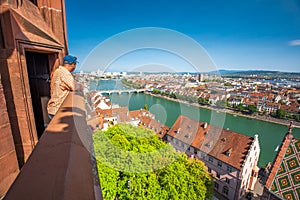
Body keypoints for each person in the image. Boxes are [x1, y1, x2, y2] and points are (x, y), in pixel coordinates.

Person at [47, 55, 78, 119]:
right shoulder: (66, 74)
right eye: (75, 64)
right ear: (72, 64)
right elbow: (75, 88)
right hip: (60, 109)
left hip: (53, 108)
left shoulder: (57, 71)